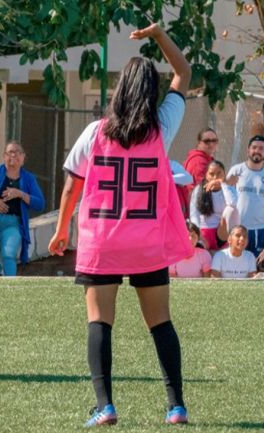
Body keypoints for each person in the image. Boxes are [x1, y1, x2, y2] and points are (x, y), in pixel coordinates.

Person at [47, 24, 192, 426]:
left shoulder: (96, 132)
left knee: (99, 322)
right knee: (161, 322)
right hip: (146, 243)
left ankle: (105, 406)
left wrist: (60, 231)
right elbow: (184, 73)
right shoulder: (162, 129)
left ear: (119, 89)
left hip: (103, 242)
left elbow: (71, 187)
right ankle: (176, 406)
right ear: (151, 92)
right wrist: (160, 35)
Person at [0, 141, 45, 276]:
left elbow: (40, 204)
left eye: (18, 152)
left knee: (9, 253)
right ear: (4, 156)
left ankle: (11, 287)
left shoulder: (29, 179)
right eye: (10, 152)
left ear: (23, 158)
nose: (14, 155)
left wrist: (20, 194)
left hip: (12, 224)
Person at [226, 135, 264, 269]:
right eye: (254, 147)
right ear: (248, 150)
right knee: (239, 270)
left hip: (261, 231)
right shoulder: (236, 170)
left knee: (259, 271)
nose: (257, 151)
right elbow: (226, 201)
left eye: (261, 148)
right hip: (239, 230)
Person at [188, 160, 239, 252]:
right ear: (206, 175)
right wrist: (199, 235)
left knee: (231, 209)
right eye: (211, 174)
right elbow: (194, 215)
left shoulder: (229, 189)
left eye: (219, 173)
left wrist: (222, 184)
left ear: (224, 173)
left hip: (222, 232)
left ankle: (232, 239)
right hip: (204, 232)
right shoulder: (199, 189)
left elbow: (233, 203)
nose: (215, 177)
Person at [180, 128, 219, 216]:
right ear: (199, 143)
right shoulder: (199, 162)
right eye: (207, 141)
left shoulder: (206, 159)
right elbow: (202, 190)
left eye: (214, 141)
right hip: (199, 213)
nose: (211, 144)